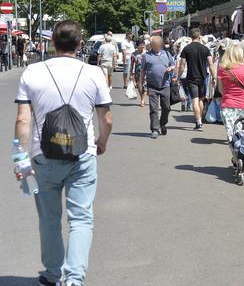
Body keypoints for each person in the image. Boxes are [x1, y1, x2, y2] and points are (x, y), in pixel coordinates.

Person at [13, 20, 112, 286]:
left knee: (49, 219)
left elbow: (23, 121)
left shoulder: (32, 72)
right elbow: (107, 118)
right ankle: (74, 280)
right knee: (81, 218)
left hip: (42, 156)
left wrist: (19, 159)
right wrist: (101, 142)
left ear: (52, 43)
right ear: (80, 44)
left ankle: (53, 274)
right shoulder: (94, 74)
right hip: (82, 154)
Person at [217, 44, 244, 141]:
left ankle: (237, 155)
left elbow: (221, 90)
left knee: (232, 137)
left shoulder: (222, 70)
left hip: (228, 106)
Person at [179, 28, 215, 131]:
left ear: (191, 37)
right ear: (199, 36)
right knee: (200, 99)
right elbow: (211, 64)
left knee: (194, 99)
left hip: (191, 77)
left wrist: (178, 77)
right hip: (203, 78)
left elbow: (182, 65)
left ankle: (199, 123)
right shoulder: (205, 49)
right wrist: (214, 77)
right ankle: (199, 120)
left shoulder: (186, 49)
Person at [141, 36, 176, 139]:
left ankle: (162, 123)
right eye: (154, 45)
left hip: (165, 86)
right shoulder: (146, 56)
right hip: (152, 86)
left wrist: (171, 68)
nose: (156, 47)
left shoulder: (167, 54)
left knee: (167, 107)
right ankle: (155, 129)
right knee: (153, 109)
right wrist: (141, 82)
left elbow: (174, 65)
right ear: (151, 46)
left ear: (160, 45)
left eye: (157, 45)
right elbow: (143, 70)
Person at [131, 40, 147, 107]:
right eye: (140, 44)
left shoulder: (147, 53)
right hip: (138, 72)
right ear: (137, 46)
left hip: (146, 72)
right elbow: (132, 65)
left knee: (145, 86)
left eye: (143, 44)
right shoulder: (134, 54)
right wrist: (131, 73)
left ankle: (142, 100)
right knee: (139, 86)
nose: (142, 46)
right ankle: (142, 98)